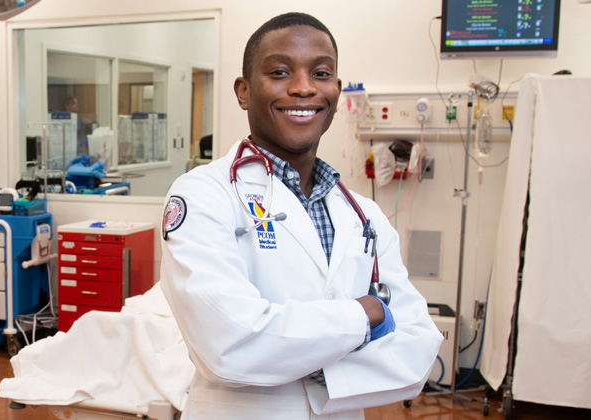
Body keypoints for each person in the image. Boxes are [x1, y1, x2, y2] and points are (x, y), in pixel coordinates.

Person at [159, 12, 442, 420]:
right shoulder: (203, 194)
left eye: (321, 73)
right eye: (279, 71)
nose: (304, 87)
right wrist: (367, 314)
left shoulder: (365, 216)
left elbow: (417, 350)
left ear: (336, 91)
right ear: (243, 92)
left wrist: (304, 364)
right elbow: (229, 346)